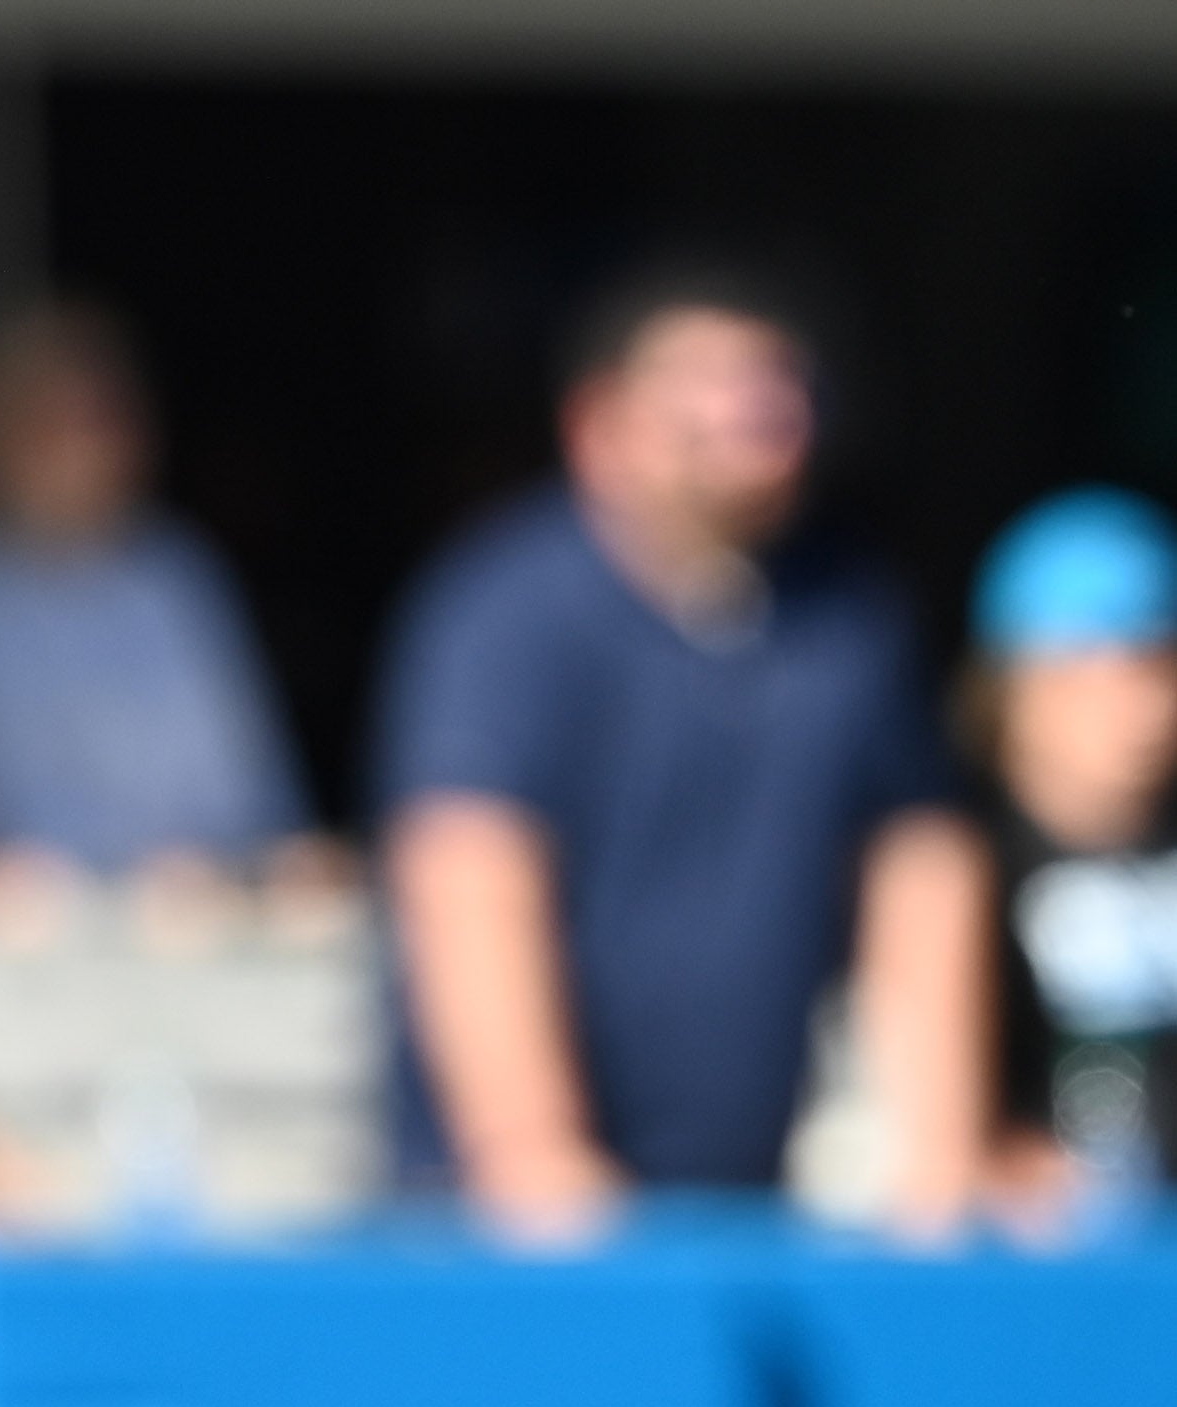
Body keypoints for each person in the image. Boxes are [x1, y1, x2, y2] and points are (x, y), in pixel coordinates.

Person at [374, 268, 988, 1239]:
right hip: (502, 1231)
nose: (748, 414)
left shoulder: (851, 615)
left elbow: (919, 865)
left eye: (774, 385)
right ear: (598, 425)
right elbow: (465, 866)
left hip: (748, 1204)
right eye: (702, 387)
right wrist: (535, 1154)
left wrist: (944, 1158)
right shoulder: (505, 610)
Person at [0, 301, 316, 888]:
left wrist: (250, 865)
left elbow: (258, 802)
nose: (82, 449)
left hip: (199, 920)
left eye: (100, 419)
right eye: (52, 421)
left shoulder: (175, 577)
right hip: (25, 942)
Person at [962, 488, 1177, 1223]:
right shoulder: (965, 865)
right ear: (1007, 689)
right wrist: (1000, 1163)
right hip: (1034, 1262)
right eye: (1083, 675)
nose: (1137, 708)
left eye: (1154, 668)